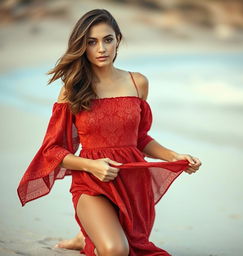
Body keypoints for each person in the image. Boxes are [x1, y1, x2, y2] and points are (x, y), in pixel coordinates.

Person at [17, 8, 202, 256]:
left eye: (107, 39)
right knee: (116, 250)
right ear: (83, 46)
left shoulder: (138, 83)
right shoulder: (73, 89)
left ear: (118, 40)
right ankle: (90, 234)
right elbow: (52, 150)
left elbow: (139, 138)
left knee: (130, 245)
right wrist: (91, 166)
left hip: (133, 184)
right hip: (91, 183)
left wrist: (173, 156)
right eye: (92, 42)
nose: (101, 48)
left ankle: (86, 237)